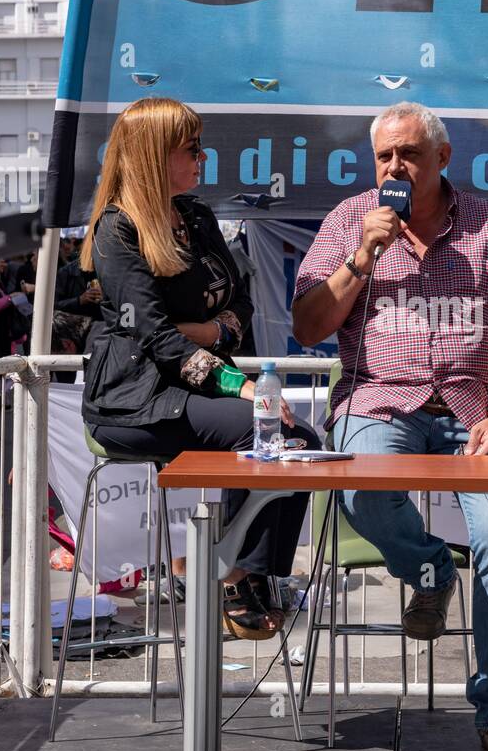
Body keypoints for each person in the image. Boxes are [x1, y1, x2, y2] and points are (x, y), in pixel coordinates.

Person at [293, 101, 488, 751]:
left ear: (441, 158)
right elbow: (307, 326)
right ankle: (429, 569)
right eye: (384, 156)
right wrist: (361, 257)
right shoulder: (350, 221)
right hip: (380, 400)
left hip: (473, 411)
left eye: (408, 154)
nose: (394, 167)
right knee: (360, 490)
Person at [81, 96, 317, 639]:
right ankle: (236, 575)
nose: (203, 158)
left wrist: (210, 332)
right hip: (132, 401)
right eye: (191, 149)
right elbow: (158, 339)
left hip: (190, 388)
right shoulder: (117, 231)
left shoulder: (196, 214)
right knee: (274, 434)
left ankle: (253, 572)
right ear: (153, 155)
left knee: (297, 438)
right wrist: (238, 382)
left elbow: (242, 301)